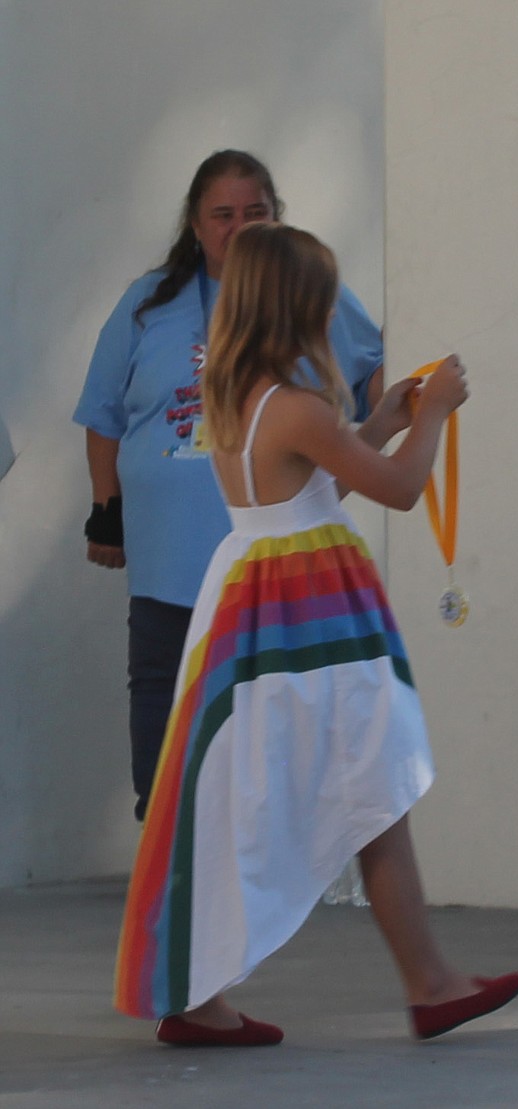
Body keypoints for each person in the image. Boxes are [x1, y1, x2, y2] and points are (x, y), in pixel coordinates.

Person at [114, 222, 518, 1045]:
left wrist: (379, 419)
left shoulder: (243, 398)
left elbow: (311, 485)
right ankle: (429, 982)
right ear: (296, 307)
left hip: (254, 602)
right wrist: (435, 415)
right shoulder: (298, 406)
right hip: (312, 619)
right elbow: (402, 490)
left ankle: (204, 994)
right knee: (374, 776)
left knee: (253, 791)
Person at [75, 150, 385, 822]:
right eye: (222, 215)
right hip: (166, 554)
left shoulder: (308, 296)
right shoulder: (148, 301)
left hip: (267, 556)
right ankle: (167, 835)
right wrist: (107, 512)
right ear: (194, 223)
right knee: (163, 698)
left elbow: (374, 370)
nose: (238, 227)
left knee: (261, 707)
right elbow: (103, 414)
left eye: (255, 213)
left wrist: (387, 419)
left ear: (276, 218)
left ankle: (258, 842)